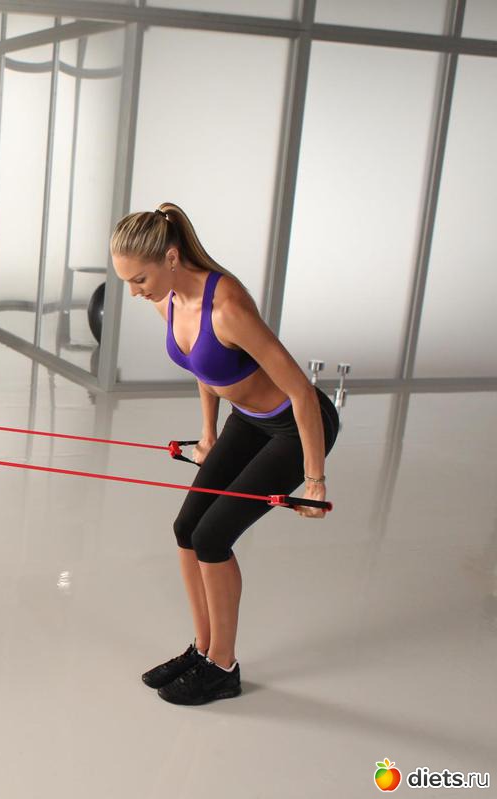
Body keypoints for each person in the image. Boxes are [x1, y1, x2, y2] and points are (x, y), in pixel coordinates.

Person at [109, 203, 339, 706]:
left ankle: (222, 667)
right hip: (248, 420)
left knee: (213, 536)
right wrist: (208, 433)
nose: (134, 292)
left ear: (171, 258)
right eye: (127, 281)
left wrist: (314, 479)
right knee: (186, 528)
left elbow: (301, 392)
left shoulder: (227, 307)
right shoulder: (167, 300)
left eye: (139, 279)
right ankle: (202, 649)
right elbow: (203, 366)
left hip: (294, 427)